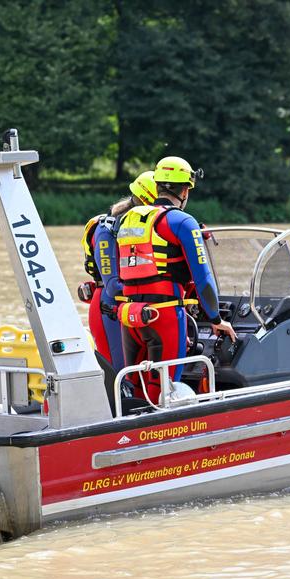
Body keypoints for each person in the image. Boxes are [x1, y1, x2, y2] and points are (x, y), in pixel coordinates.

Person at [117, 156, 235, 403]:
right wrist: (215, 319)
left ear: (157, 184)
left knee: (136, 386)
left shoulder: (128, 219)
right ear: (184, 190)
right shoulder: (182, 221)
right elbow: (203, 279)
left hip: (130, 316)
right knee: (165, 389)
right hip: (165, 316)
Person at [80, 171, 158, 372]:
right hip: (109, 309)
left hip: (136, 307)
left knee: (141, 373)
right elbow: (113, 285)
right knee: (120, 372)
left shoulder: (146, 229)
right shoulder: (106, 231)